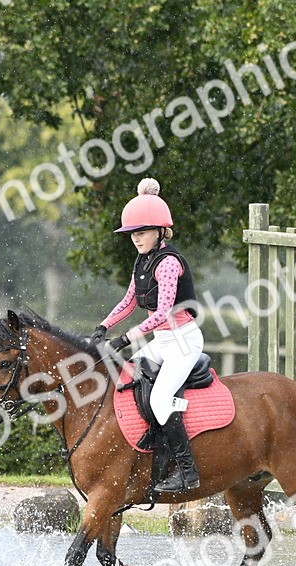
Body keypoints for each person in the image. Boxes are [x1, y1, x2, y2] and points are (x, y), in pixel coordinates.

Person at [91, 177, 204, 493]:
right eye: (132, 234)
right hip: (163, 342)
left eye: (141, 232)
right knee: (128, 381)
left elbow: (163, 313)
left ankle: (187, 471)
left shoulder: (168, 263)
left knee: (158, 397)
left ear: (159, 232)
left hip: (183, 340)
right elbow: (128, 302)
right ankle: (159, 429)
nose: (136, 239)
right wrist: (102, 327)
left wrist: (126, 339)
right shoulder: (142, 261)